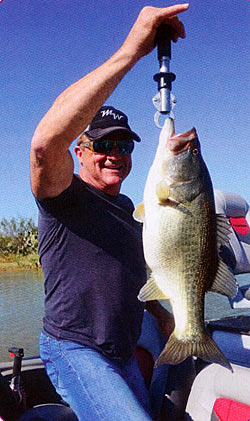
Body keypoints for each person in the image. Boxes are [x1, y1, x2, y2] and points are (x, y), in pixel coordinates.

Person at [30, 4, 189, 420]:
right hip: (74, 348)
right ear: (80, 151)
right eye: (103, 145)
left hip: (121, 351)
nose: (115, 155)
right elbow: (46, 144)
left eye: (124, 146)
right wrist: (131, 52)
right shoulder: (64, 195)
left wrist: (161, 313)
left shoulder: (130, 211)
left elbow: (132, 274)